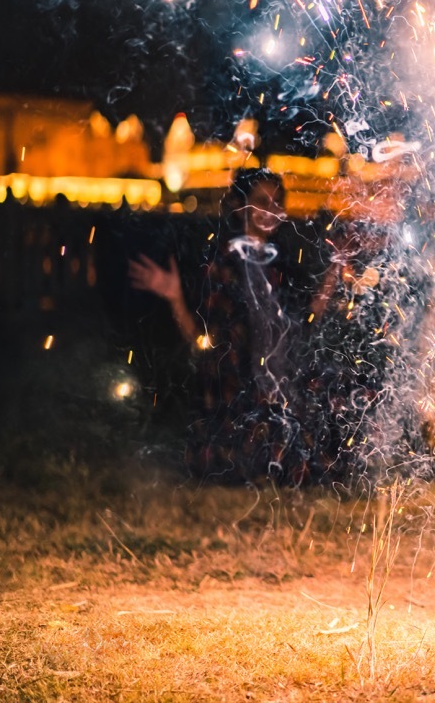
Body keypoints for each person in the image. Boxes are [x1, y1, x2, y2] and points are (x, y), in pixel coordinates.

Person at [129, 168, 343, 485]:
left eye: (277, 201)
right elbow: (204, 341)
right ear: (241, 206)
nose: (271, 209)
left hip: (279, 390)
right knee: (274, 458)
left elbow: (306, 318)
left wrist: (335, 271)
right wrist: (175, 297)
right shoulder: (223, 266)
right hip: (240, 401)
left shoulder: (279, 266)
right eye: (261, 201)